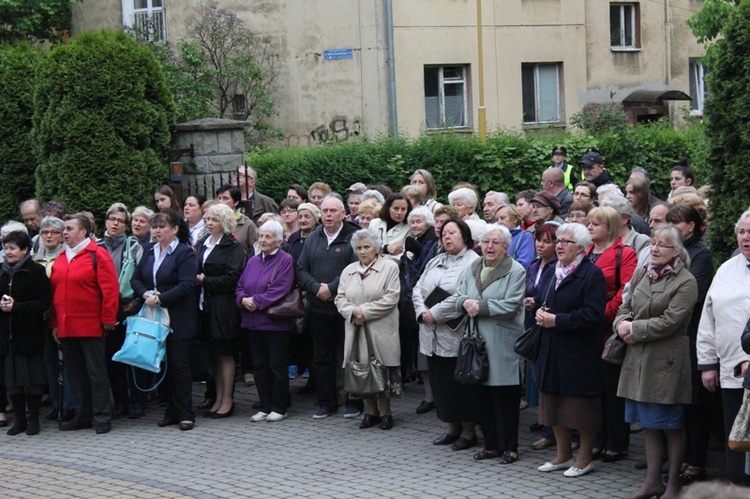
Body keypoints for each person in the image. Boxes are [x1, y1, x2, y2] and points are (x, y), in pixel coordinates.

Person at [615, 224, 698, 498]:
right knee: (650, 424)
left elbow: (671, 322)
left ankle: (673, 482)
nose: (655, 248)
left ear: (677, 251)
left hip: (666, 363)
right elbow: (624, 305)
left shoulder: (686, 281)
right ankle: (652, 481)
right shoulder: (642, 273)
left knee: (670, 424)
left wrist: (634, 329)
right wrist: (621, 324)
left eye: (662, 245)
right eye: (653, 243)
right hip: (638, 359)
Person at [534, 223, 606, 478]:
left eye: (566, 241)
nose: (560, 245)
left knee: (581, 408)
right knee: (553, 404)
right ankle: (563, 455)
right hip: (551, 348)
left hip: (579, 352)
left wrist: (558, 321)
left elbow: (593, 314)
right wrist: (539, 312)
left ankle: (584, 458)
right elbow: (542, 298)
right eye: (558, 240)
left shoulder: (591, 274)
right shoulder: (553, 270)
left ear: (581, 248)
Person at [456, 225, 526, 463]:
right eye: (486, 241)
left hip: (501, 344)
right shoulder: (473, 266)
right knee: (481, 397)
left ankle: (510, 447)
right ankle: (492, 445)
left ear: (506, 247)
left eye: (496, 242)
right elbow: (459, 295)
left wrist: (479, 306)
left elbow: (511, 305)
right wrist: (465, 302)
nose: (489, 246)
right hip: (476, 342)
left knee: (504, 399)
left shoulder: (515, 271)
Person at [413, 218, 479, 451]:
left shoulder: (473, 261)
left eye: (453, 233)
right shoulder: (436, 260)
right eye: (444, 234)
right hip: (430, 333)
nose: (447, 237)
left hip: (455, 333)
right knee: (440, 384)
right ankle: (451, 427)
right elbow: (418, 288)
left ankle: (469, 432)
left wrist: (436, 313)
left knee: (459, 385)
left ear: (465, 236)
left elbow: (464, 294)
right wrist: (422, 312)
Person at [50, 213, 119, 434]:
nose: (65, 232)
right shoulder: (61, 257)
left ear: (83, 232)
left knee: (96, 373)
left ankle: (102, 416)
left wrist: (108, 319)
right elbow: (55, 294)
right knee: (76, 374)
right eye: (65, 229)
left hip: (91, 325)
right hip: (67, 326)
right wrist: (55, 323)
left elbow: (110, 291)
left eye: (69, 228)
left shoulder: (98, 255)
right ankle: (84, 414)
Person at [131, 209, 198, 431]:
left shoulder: (185, 253)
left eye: (162, 226)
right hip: (155, 318)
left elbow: (187, 285)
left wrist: (161, 299)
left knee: (179, 364)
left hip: (178, 318)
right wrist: (145, 295)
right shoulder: (149, 250)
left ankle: (186, 412)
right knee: (163, 365)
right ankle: (171, 410)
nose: (157, 231)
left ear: (175, 229)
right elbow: (136, 278)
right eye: (155, 226)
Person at [697, 209, 750, 485]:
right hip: (733, 374)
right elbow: (709, 319)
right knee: (737, 440)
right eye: (742, 232)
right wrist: (707, 363)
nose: (745, 237)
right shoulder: (727, 269)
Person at [297, 196, 361, 419]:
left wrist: (332, 288)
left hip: (344, 308)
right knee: (321, 357)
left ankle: (354, 400)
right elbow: (301, 268)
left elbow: (354, 267)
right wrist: (316, 288)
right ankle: (327, 402)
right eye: (325, 211)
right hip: (318, 308)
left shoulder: (352, 237)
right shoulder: (313, 238)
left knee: (349, 355)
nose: (329, 215)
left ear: (343, 213)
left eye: (333, 211)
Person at [665, 204, 715, 485]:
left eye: (678, 223)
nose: (673, 228)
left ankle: (696, 461)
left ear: (692, 226)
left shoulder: (701, 255)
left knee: (696, 403)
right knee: (681, 402)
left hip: (694, 335)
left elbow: (690, 294)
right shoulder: (675, 252)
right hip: (677, 337)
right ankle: (680, 457)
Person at [335, 229, 402, 430]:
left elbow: (391, 298)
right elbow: (340, 297)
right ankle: (370, 412)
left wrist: (363, 311)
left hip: (380, 328)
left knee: (381, 368)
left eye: (367, 247)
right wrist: (352, 311)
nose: (362, 252)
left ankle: (386, 412)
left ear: (377, 249)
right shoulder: (348, 270)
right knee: (361, 368)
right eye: (359, 248)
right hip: (356, 328)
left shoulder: (390, 267)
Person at [585, 206, 637, 463]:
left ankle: (616, 441)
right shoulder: (586, 251)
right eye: (589, 223)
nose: (590, 227)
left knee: (612, 389)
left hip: (608, 328)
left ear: (610, 227)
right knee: (593, 388)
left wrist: (603, 312)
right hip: (586, 330)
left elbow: (626, 290)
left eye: (596, 224)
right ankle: (597, 438)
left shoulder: (624, 253)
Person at [236, 220, 295, 422]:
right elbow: (240, 285)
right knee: (259, 365)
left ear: (279, 241)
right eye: (261, 236)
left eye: (268, 236)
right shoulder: (252, 260)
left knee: (276, 365)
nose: (263, 240)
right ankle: (265, 404)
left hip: (275, 323)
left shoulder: (285, 259)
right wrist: (243, 300)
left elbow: (280, 288)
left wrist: (257, 302)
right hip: (252, 321)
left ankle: (279, 406)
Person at [196, 204, 245, 419]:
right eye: (207, 219)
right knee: (213, 354)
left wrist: (206, 281)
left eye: (213, 220)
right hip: (204, 306)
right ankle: (217, 398)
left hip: (223, 307)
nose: (208, 223)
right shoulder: (202, 244)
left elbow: (233, 278)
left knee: (225, 353)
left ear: (223, 223)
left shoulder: (233, 246)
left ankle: (228, 400)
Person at [0, 231, 50, 435]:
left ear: (25, 250)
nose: (8, 252)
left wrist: (17, 307)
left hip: (29, 333)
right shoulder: (1, 271)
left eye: (13, 248)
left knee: (32, 379)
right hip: (6, 335)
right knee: (12, 380)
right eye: (6, 248)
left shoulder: (36, 271)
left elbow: (43, 303)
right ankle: (19, 419)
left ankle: (34, 419)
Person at [98, 203, 145, 419]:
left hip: (129, 307)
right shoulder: (96, 246)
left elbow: (142, 276)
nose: (115, 223)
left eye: (120, 220)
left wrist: (135, 303)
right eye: (112, 219)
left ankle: (137, 401)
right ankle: (120, 401)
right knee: (113, 357)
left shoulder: (134, 246)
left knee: (133, 357)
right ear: (106, 221)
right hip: (106, 307)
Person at [34, 217, 76, 422]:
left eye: (54, 232)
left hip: (61, 316)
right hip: (40, 318)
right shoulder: (35, 258)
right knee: (50, 361)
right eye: (45, 232)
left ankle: (68, 404)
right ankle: (55, 402)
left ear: (62, 236)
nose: (49, 236)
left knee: (66, 362)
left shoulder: (66, 257)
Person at [524, 223, 559, 446]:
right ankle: (546, 424)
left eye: (547, 241)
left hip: (549, 328)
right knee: (537, 379)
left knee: (548, 380)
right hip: (532, 327)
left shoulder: (556, 267)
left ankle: (553, 431)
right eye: (539, 240)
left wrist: (535, 301)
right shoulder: (535, 265)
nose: (541, 245)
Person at [369, 193, 412, 262]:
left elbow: (409, 255)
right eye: (396, 208)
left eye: (403, 209)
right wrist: (385, 248)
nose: (399, 213)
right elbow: (368, 247)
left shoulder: (410, 228)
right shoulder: (374, 223)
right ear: (388, 208)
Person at [216, 184, 258, 255]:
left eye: (225, 198)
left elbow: (257, 249)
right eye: (219, 198)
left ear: (236, 202)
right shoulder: (212, 222)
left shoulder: (247, 224)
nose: (221, 202)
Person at [494, 204, 534, 270]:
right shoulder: (496, 237)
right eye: (497, 219)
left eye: (502, 218)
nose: (499, 222)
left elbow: (524, 263)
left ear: (515, 219)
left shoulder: (525, 236)